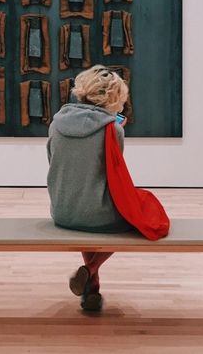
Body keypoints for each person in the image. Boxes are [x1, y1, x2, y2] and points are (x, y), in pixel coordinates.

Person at [46, 64, 133, 311]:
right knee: (133, 222)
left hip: (62, 210)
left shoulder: (56, 123)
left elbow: (54, 161)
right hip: (94, 214)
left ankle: (92, 292)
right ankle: (90, 269)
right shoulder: (113, 129)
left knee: (87, 204)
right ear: (114, 97)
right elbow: (113, 176)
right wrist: (116, 131)